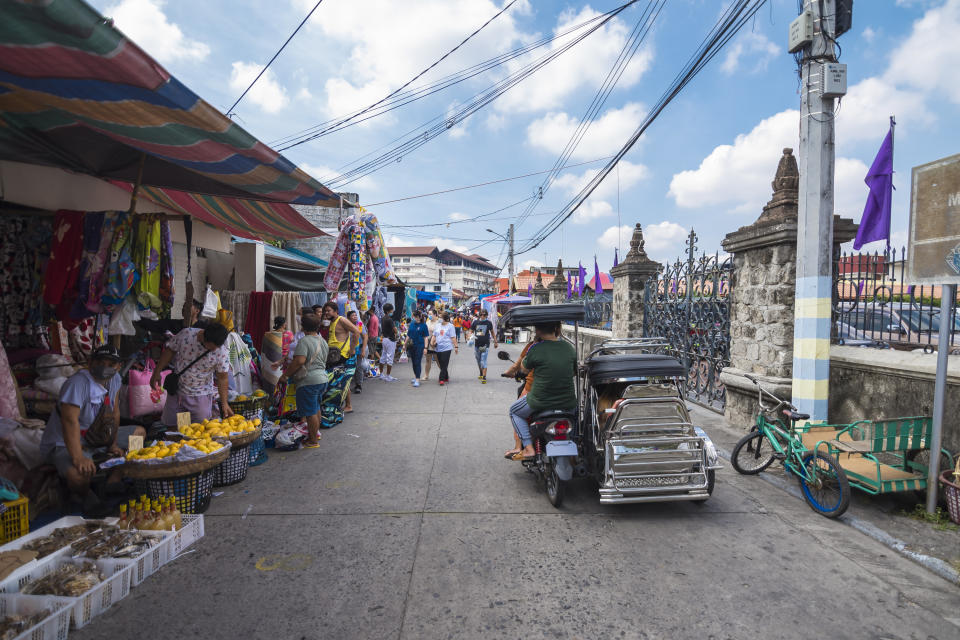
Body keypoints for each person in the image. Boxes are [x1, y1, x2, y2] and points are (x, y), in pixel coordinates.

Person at [40, 346, 146, 510]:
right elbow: (70, 422)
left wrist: (113, 443)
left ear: (118, 366)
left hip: (98, 437)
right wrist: (78, 457)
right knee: (77, 475)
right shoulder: (77, 384)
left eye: (111, 364)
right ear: (90, 363)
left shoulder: (115, 379)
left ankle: (114, 478)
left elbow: (115, 412)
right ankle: (85, 494)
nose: (105, 367)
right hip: (65, 442)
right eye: (100, 362)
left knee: (139, 434)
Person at [508, 322, 576, 460]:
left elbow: (524, 370)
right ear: (556, 329)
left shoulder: (536, 349)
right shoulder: (569, 348)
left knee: (514, 411)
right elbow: (574, 372)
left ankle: (528, 448)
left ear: (537, 331)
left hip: (540, 400)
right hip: (568, 402)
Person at [151, 323, 234, 426]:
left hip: (200, 397)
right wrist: (156, 372)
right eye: (211, 348)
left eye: (216, 347)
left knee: (198, 431)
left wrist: (224, 403)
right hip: (178, 394)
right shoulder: (186, 334)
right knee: (176, 428)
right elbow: (170, 350)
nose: (214, 350)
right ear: (204, 337)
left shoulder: (222, 352)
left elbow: (222, 378)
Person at [279, 314, 328, 448]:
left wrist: (285, 376)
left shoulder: (304, 341)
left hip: (309, 381)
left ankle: (313, 441)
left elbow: (299, 361)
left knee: (311, 412)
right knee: (316, 408)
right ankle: (315, 434)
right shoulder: (322, 340)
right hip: (322, 379)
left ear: (303, 327)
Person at [319, 301, 362, 427]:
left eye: (329, 311)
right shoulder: (331, 322)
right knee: (343, 382)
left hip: (344, 356)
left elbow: (356, 332)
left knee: (340, 383)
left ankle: (342, 407)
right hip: (334, 357)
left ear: (336, 311)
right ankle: (348, 405)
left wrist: (353, 348)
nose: (326, 313)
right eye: (325, 311)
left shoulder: (342, 320)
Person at [501, 337, 539, 459]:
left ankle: (520, 447)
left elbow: (521, 367)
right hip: (565, 397)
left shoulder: (533, 347)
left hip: (535, 390)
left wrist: (509, 372)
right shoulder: (567, 348)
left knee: (515, 411)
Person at [431, 312, 458, 385]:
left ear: (445, 318)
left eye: (440, 317)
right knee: (441, 363)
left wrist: (456, 346)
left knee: (444, 362)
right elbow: (434, 335)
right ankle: (446, 376)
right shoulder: (437, 325)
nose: (439, 318)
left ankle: (441, 379)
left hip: (447, 347)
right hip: (438, 347)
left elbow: (453, 337)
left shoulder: (450, 326)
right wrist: (432, 342)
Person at [472, 309, 498, 384]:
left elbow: (492, 332)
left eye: (484, 315)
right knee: (478, 360)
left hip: (485, 345)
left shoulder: (488, 323)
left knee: (483, 360)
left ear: (486, 315)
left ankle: (484, 377)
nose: (482, 316)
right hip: (477, 345)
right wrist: (469, 336)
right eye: (481, 315)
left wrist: (495, 342)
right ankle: (481, 372)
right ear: (479, 315)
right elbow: (471, 331)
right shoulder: (475, 322)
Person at [406, 311, 429, 387]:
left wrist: (425, 348)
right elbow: (408, 335)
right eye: (413, 316)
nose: (414, 318)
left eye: (415, 316)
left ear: (419, 316)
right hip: (411, 345)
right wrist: (404, 344)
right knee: (413, 362)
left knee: (417, 362)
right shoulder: (412, 324)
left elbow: (426, 337)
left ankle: (418, 379)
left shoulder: (424, 325)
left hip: (420, 346)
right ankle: (416, 376)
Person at [347, 309, 366, 395]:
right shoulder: (346, 325)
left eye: (356, 315)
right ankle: (347, 386)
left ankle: (358, 385)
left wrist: (363, 350)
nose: (355, 317)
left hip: (358, 348)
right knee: (349, 367)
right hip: (348, 350)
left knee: (358, 367)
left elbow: (365, 337)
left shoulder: (360, 324)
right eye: (353, 315)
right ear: (348, 318)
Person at [380, 303, 398, 381]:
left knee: (383, 356)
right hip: (390, 339)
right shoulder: (389, 319)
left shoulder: (383, 318)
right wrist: (396, 332)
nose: (392, 311)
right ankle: (388, 376)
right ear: (388, 311)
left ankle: (381, 374)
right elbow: (395, 330)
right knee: (390, 357)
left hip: (384, 339)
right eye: (391, 309)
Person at [422, 310, 439, 381]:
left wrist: (436, 342)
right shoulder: (427, 322)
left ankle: (443, 374)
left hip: (435, 343)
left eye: (431, 314)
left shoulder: (439, 323)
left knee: (438, 360)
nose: (429, 315)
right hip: (428, 343)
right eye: (428, 314)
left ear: (435, 315)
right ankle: (426, 375)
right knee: (428, 360)